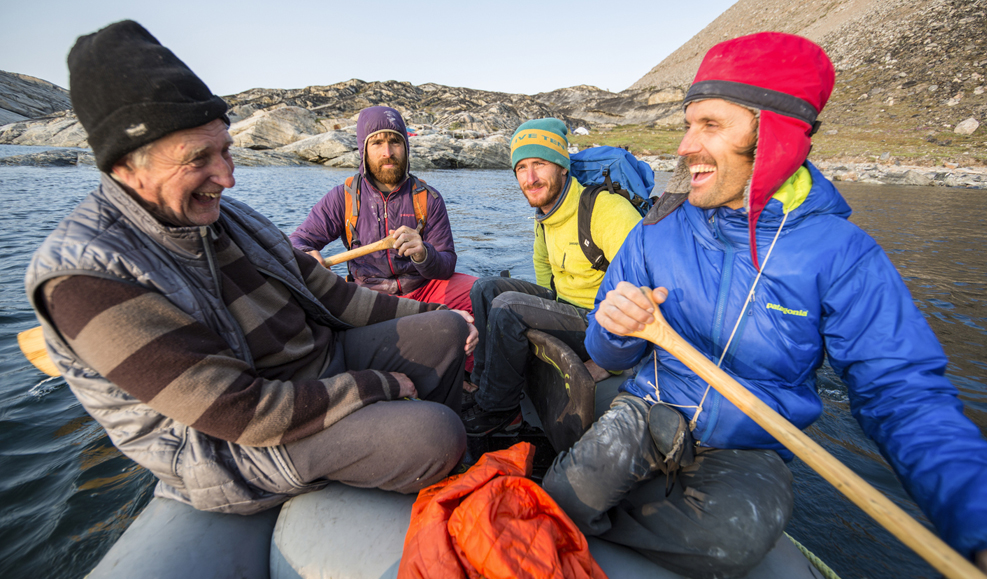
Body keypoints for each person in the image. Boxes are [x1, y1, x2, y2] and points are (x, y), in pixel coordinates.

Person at [542, 32, 987, 579]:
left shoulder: (843, 256)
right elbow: (603, 352)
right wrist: (614, 327)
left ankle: (583, 517)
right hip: (651, 406)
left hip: (748, 445)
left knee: (736, 539)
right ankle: (577, 502)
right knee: (589, 473)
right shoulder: (657, 230)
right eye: (688, 124)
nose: (686, 146)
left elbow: (906, 399)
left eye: (710, 124)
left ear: (772, 134)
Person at [24, 20, 478, 515]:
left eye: (226, 149)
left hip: (318, 365)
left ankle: (422, 464)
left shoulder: (226, 214)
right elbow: (241, 410)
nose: (227, 177)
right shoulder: (87, 274)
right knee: (437, 432)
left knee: (447, 329)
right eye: (200, 158)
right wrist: (378, 387)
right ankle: (419, 465)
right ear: (125, 166)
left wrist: (425, 317)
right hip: (238, 443)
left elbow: (331, 295)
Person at [463, 118, 643, 436]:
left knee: (508, 306)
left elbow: (649, 292)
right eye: (521, 168)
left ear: (562, 166)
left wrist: (608, 362)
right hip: (567, 308)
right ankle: (482, 387)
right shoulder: (546, 215)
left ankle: (500, 412)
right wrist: (544, 317)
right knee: (485, 288)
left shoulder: (607, 211)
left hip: (600, 323)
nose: (529, 178)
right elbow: (547, 282)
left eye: (540, 164)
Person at [289, 106, 478, 371]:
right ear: (363, 150)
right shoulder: (342, 198)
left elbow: (446, 265)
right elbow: (297, 242)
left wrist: (424, 253)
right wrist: (308, 257)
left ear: (406, 147)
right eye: (377, 142)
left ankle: (468, 376)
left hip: (421, 289)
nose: (387, 152)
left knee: (479, 295)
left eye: (394, 142)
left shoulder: (429, 198)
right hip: (367, 297)